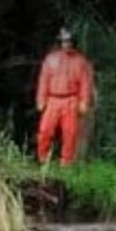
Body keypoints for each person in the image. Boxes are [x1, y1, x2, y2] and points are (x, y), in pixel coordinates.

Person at [35, 28, 94, 166]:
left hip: (71, 100)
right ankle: (43, 159)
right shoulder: (51, 59)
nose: (67, 44)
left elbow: (85, 83)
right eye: (64, 42)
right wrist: (41, 99)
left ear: (73, 43)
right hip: (53, 100)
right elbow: (44, 80)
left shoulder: (80, 61)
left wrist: (84, 102)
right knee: (44, 131)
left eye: (69, 41)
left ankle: (66, 164)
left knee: (70, 134)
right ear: (60, 42)